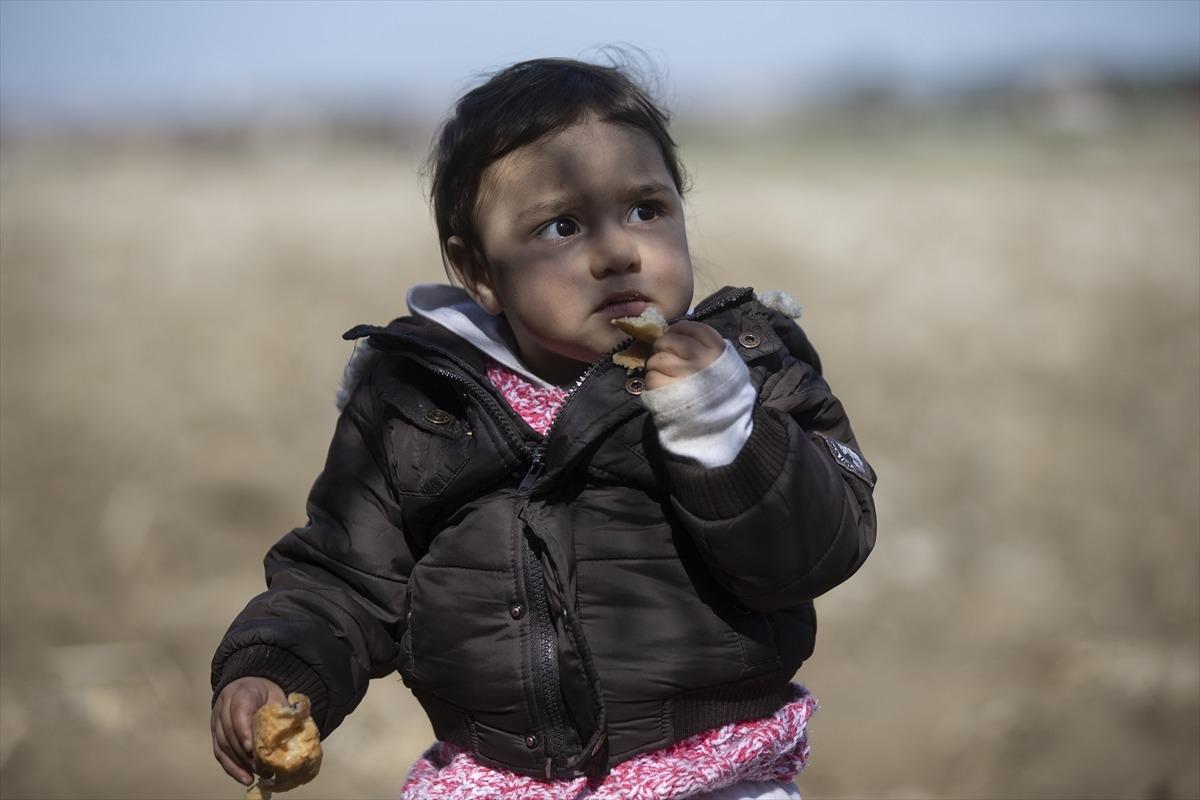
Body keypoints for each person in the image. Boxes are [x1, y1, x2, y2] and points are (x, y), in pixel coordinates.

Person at [210, 55, 877, 800]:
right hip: (499, 779)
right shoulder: (419, 398)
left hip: (713, 774)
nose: (620, 251)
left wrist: (724, 430)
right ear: (481, 272)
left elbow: (818, 551)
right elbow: (344, 575)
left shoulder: (745, 367)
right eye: (562, 226)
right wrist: (277, 669)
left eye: (646, 210)